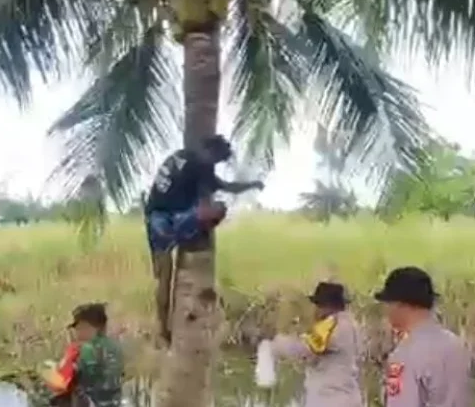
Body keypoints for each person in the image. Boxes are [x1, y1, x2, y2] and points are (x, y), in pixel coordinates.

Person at [144, 134, 264, 343]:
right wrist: (252, 186)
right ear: (213, 153)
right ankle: (187, 237)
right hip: (172, 220)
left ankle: (162, 330)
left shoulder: (181, 155)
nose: (216, 164)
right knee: (217, 209)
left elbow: (222, 185)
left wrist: (251, 185)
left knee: (164, 279)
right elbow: (217, 194)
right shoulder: (202, 166)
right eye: (218, 160)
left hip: (154, 217)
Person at [374, 266, 472, 407]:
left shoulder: (405, 355)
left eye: (388, 303)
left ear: (400, 304)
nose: (386, 310)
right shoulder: (456, 345)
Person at [268, 282, 364, 407]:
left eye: (317, 306)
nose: (315, 310)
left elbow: (305, 350)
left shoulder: (331, 326)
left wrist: (277, 343)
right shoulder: (351, 324)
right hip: (349, 396)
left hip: (331, 399)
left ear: (326, 306)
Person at [42, 303, 124, 407]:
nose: (77, 333)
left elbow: (60, 383)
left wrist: (63, 361)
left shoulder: (84, 350)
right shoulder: (115, 348)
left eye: (78, 328)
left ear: (86, 326)